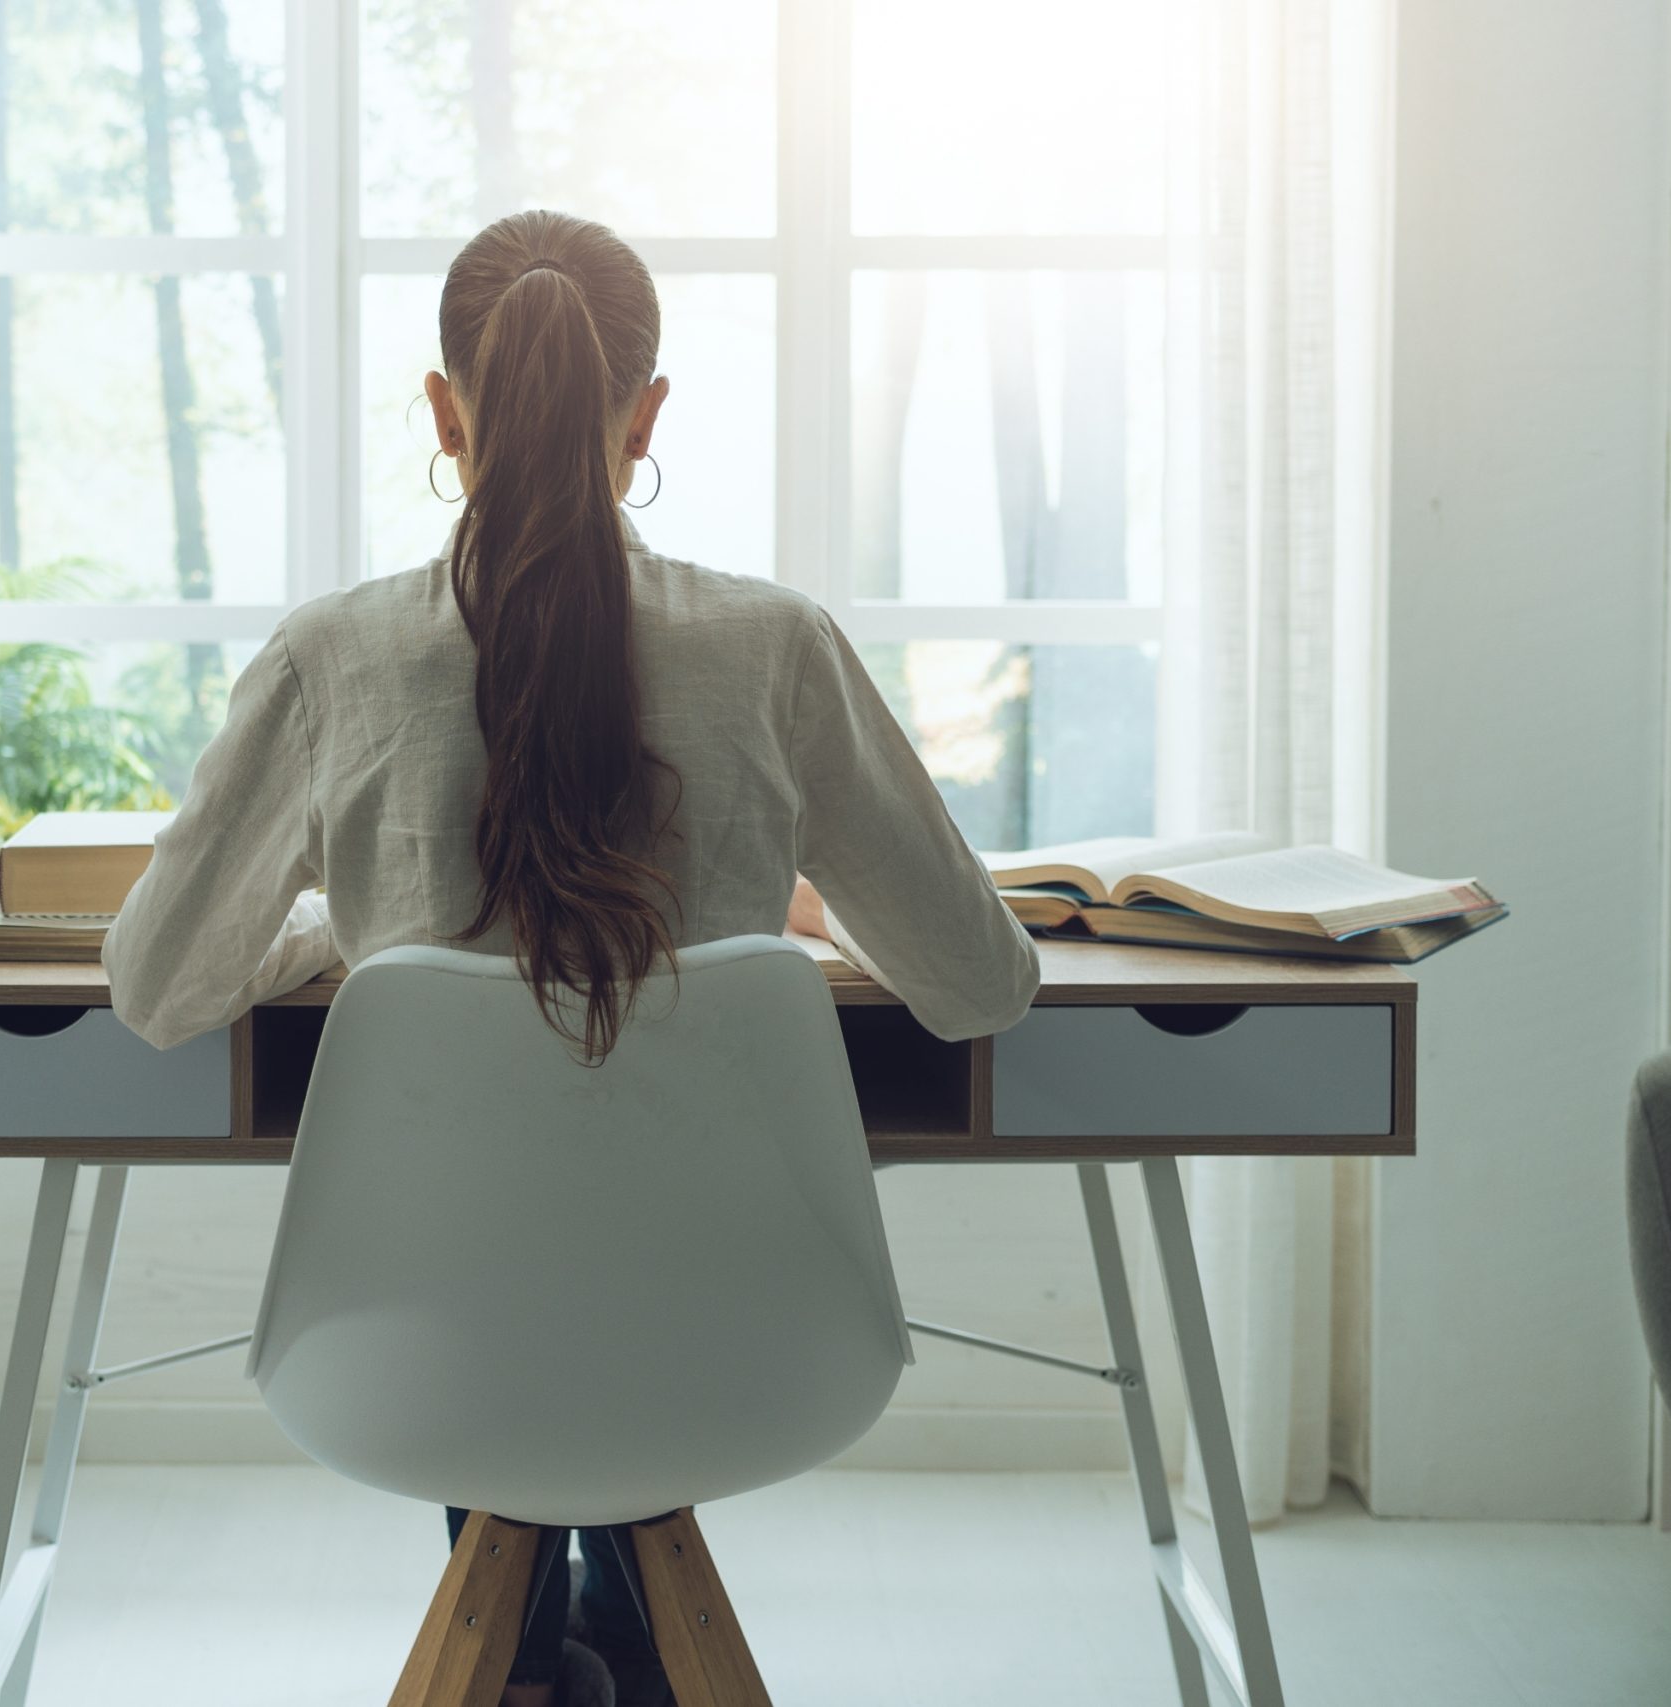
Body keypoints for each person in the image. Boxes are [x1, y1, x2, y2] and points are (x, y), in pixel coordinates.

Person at [105, 209, 1038, 1707]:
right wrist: (783, 908)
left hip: (423, 1356)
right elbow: (985, 987)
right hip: (743, 1340)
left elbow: (154, 987)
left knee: (505, 1274)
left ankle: (531, 1640)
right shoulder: (777, 646)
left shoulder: (332, 659)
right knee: (631, 1267)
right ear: (646, 414)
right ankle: (605, 1622)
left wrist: (348, 935)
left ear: (444, 410)